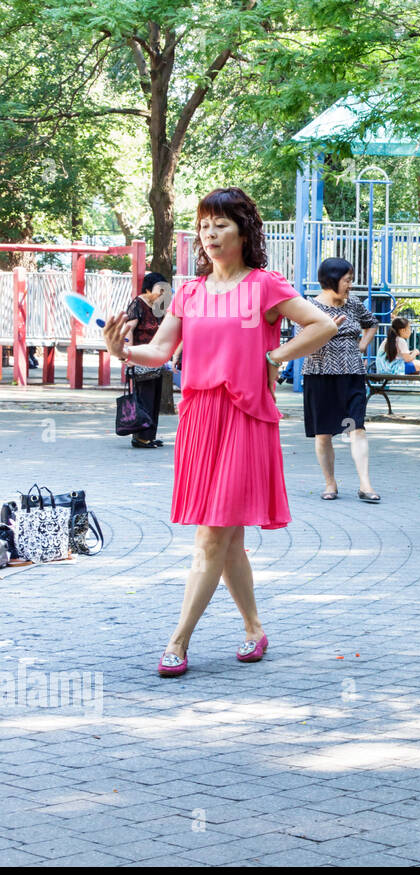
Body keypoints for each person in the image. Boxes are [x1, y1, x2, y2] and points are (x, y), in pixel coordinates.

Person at [101, 187, 336, 677]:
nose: (209, 234)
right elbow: (160, 353)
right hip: (199, 418)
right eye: (205, 224)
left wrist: (274, 357)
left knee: (211, 536)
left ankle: (177, 641)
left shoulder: (265, 286)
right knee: (227, 540)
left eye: (221, 224)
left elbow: (322, 325)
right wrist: (121, 351)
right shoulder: (189, 291)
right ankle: (254, 628)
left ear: (243, 231)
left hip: (246, 419)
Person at [303, 257, 380, 503]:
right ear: (331, 280)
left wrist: (360, 347)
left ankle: (365, 484)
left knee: (356, 427)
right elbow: (301, 343)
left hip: (352, 374)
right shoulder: (308, 306)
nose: (350, 285)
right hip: (319, 374)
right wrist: (327, 330)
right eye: (347, 280)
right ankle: (330, 483)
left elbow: (371, 324)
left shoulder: (354, 303)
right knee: (324, 433)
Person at [123, 271, 171, 449]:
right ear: (149, 288)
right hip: (141, 356)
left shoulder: (159, 306)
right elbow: (129, 328)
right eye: (159, 288)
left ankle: (150, 436)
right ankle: (141, 437)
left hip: (156, 358)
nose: (162, 292)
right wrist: (129, 353)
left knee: (155, 397)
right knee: (144, 397)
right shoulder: (139, 303)